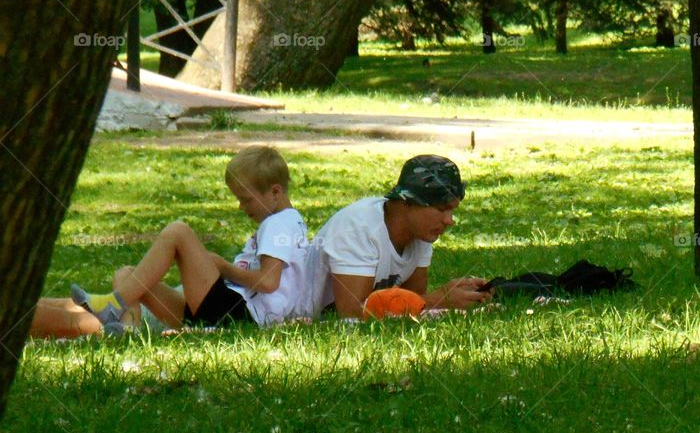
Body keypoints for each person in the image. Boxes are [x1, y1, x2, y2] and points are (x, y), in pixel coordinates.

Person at [56, 145, 311, 335]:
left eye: (245, 199)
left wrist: (224, 268)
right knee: (127, 275)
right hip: (220, 311)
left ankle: (112, 305)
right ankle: (127, 334)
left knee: (178, 232)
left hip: (240, 314)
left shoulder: (279, 223)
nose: (241, 207)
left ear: (275, 191)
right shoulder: (287, 221)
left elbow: (268, 281)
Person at [306, 154, 491, 318]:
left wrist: (453, 293)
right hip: (293, 314)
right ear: (407, 202)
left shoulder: (422, 232)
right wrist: (439, 300)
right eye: (441, 209)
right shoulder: (359, 228)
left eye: (452, 210)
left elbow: (413, 302)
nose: (449, 220)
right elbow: (352, 311)